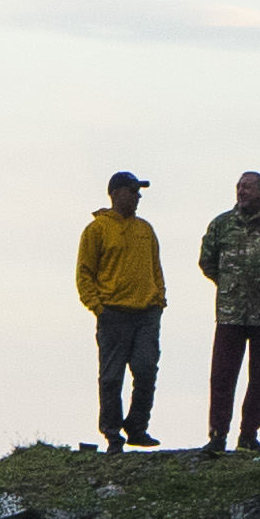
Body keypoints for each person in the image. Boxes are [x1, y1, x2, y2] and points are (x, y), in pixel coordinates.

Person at [196, 171, 260, 452]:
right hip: (230, 314)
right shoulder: (222, 224)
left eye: (248, 187)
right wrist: (229, 284)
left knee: (259, 377)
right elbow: (207, 262)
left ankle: (249, 435)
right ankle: (217, 435)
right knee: (222, 376)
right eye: (239, 186)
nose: (242, 192)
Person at [74, 172, 166, 447]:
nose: (137, 196)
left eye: (138, 192)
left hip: (146, 314)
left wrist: (159, 300)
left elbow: (156, 269)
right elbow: (84, 273)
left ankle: (137, 428)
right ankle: (113, 433)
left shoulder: (145, 230)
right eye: (132, 191)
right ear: (115, 193)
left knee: (146, 369)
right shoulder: (97, 230)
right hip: (112, 314)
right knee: (112, 377)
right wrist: (98, 307)